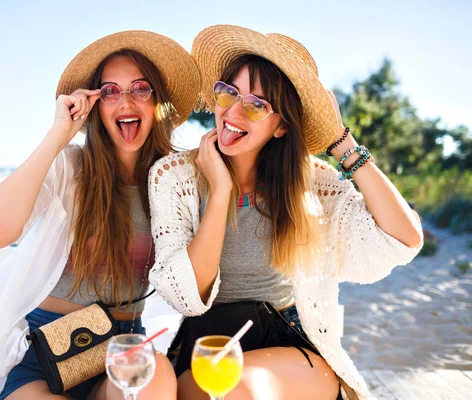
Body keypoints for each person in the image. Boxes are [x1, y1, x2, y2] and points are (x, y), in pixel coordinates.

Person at [148, 25, 423, 400]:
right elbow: (186, 295)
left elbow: (404, 239)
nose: (233, 111)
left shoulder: (310, 184)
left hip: (289, 345)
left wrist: (342, 144)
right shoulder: (174, 177)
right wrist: (220, 192)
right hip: (207, 344)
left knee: (234, 389)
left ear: (280, 127)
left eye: (257, 105)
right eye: (228, 93)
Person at [0, 30, 200, 400]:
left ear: (158, 102)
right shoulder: (70, 167)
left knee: (156, 375)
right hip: (42, 353)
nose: (125, 102)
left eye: (140, 88)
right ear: (95, 104)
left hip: (122, 348)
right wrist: (59, 134)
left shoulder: (177, 180)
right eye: (110, 91)